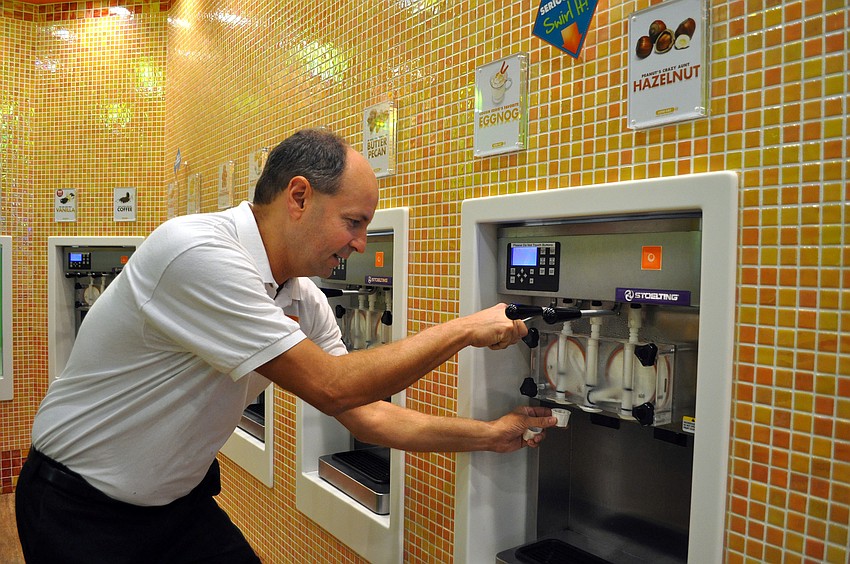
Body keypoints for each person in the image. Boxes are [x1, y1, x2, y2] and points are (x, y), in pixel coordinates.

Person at [16, 128, 555, 563]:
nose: (361, 244)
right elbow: (333, 384)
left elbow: (363, 413)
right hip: (77, 505)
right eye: (353, 222)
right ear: (298, 195)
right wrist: (463, 330)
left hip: (175, 509)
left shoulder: (301, 298)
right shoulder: (196, 252)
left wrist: (489, 436)